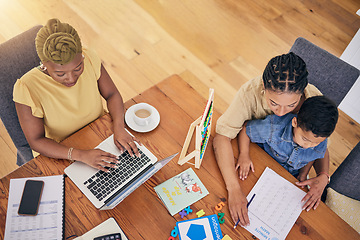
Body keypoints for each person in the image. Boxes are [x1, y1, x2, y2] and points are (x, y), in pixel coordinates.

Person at [213, 52, 331, 226]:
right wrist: (233, 188)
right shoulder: (249, 92)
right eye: (273, 103)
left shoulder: (314, 103)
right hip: (255, 156)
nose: (281, 113)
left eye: (291, 105)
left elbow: (319, 146)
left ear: (303, 91)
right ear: (263, 85)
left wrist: (324, 175)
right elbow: (222, 137)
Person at [14, 18, 140, 172]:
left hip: (101, 132)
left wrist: (119, 127)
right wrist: (81, 155)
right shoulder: (26, 88)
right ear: (44, 64)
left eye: (78, 68)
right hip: (62, 152)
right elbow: (36, 140)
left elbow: (112, 94)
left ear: (82, 57)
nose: (71, 79)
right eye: (60, 74)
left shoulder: (89, 57)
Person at [238, 96, 338, 189]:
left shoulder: (320, 140)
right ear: (295, 122)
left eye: (315, 143)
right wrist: (244, 155)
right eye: (305, 139)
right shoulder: (274, 128)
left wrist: (303, 174)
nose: (308, 146)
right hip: (261, 164)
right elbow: (246, 129)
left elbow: (311, 156)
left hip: (288, 177)